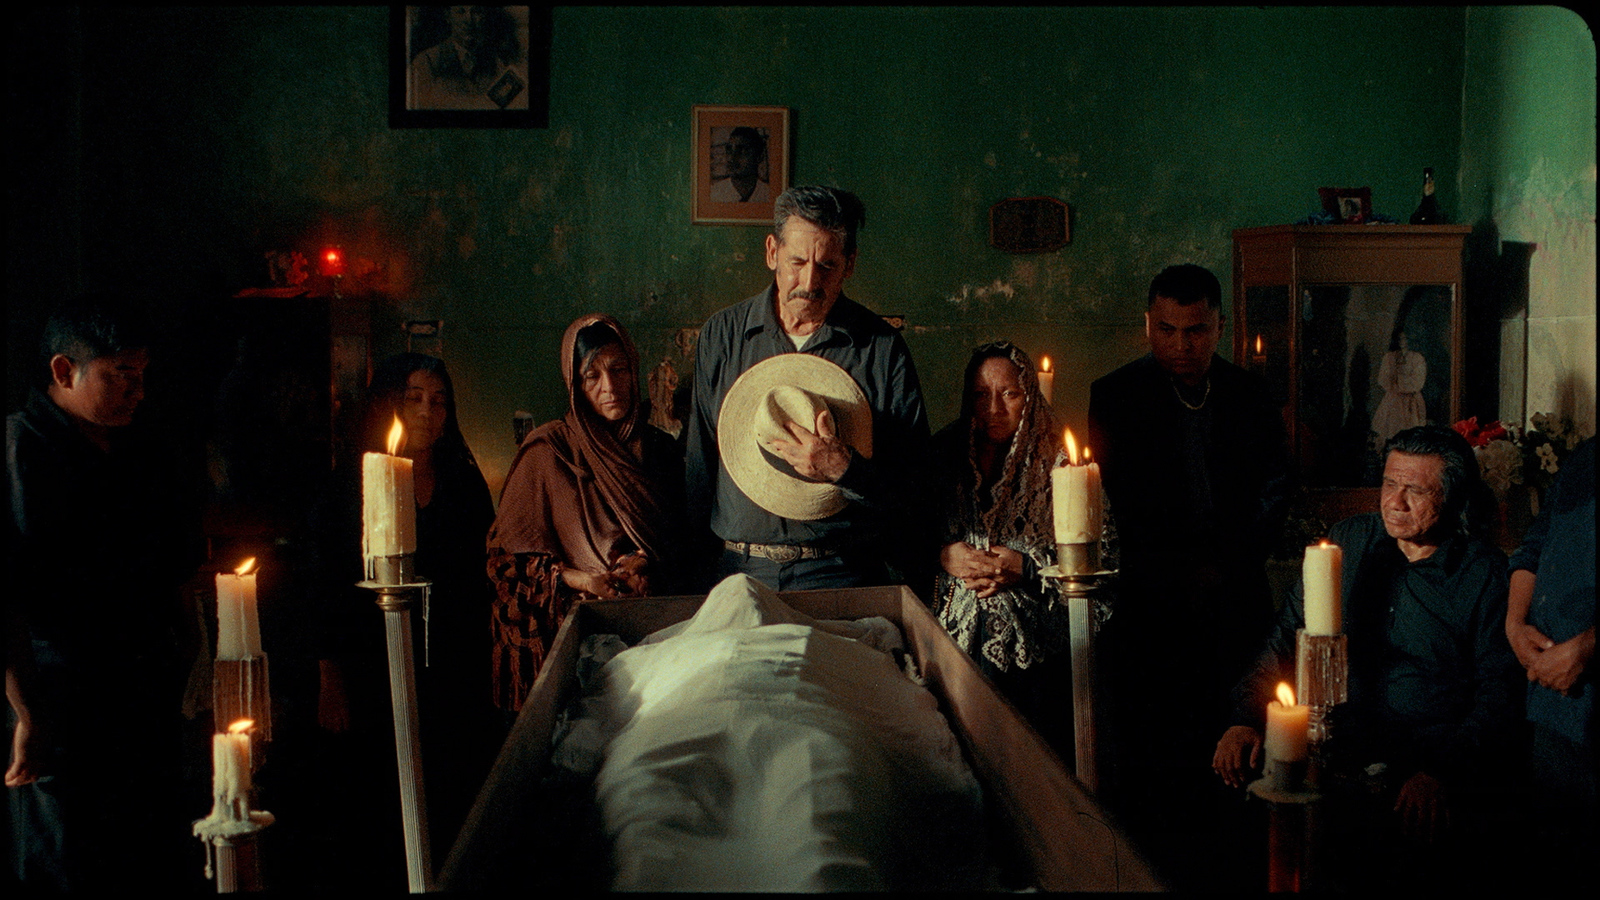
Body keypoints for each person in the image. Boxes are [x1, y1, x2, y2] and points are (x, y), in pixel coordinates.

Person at [1212, 425, 1524, 891]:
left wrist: (1442, 772)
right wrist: (1244, 716)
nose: (1394, 502)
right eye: (1389, 483)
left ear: (1453, 495)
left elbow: (1499, 693)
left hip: (1420, 766)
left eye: (1415, 490)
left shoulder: (1484, 575)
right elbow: (1285, 639)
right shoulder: (1346, 545)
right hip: (1334, 751)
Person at [1086, 262, 1291, 887]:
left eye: (1197, 331)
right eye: (1168, 330)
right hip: (1151, 605)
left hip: (1235, 598)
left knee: (1236, 756)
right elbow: (1110, 505)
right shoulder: (1115, 396)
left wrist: (1230, 558)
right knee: (1157, 762)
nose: (1181, 346)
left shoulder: (1252, 396)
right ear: (1148, 324)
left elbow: (1275, 491)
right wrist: (1174, 569)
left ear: (1220, 327)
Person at [7, 295, 204, 891]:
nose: (136, 391)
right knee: (69, 859)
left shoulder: (138, 447)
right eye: (121, 375)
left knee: (146, 851)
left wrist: (190, 652)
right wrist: (27, 710)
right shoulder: (23, 450)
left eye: (141, 375)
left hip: (145, 688)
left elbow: (173, 566)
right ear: (64, 371)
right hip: (63, 691)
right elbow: (9, 595)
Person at [684, 184, 932, 592]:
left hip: (841, 570)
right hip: (738, 571)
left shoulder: (881, 349)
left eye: (828, 266)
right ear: (772, 253)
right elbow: (698, 468)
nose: (809, 282)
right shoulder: (723, 336)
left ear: (850, 264)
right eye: (797, 261)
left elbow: (916, 489)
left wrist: (845, 468)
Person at [310, 352, 496, 874]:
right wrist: (330, 680)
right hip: (373, 662)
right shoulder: (352, 483)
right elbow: (324, 588)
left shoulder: (461, 478)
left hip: (450, 666)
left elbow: (484, 567)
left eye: (438, 401)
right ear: (389, 404)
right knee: (380, 798)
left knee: (448, 791)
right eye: (412, 399)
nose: (426, 412)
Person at [487, 314, 685, 713]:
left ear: (635, 368)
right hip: (576, 644)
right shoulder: (549, 453)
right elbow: (507, 564)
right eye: (591, 376)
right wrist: (584, 581)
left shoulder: (661, 452)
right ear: (574, 386)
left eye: (618, 369)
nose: (609, 387)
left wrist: (640, 563)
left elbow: (685, 541)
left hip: (656, 643)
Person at [930, 341, 1071, 754]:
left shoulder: (1057, 459)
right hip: (950, 634)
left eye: (1009, 394)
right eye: (981, 394)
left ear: (1029, 395)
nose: (994, 407)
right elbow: (905, 534)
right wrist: (944, 555)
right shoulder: (943, 454)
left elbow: (1097, 557)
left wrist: (1026, 567)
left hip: (1036, 648)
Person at [1504, 434, 1594, 884]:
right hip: (1554, 707)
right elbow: (1535, 542)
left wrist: (1585, 647)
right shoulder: (1587, 455)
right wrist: (1515, 623)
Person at [407, 6, 530, 111]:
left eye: (476, 12)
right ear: (448, 17)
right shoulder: (426, 61)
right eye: (460, 12)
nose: (469, 20)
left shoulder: (496, 62)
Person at [1370, 327, 1428, 448]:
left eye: (1405, 338)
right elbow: (1383, 379)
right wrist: (1396, 384)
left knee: (1411, 436)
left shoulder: (1417, 358)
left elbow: (1418, 382)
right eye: (1400, 338)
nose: (1402, 341)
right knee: (1388, 432)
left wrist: (1399, 382)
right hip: (1392, 401)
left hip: (1411, 402)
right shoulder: (1389, 357)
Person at [709, 126, 771, 203]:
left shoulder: (768, 195)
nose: (732, 158)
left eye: (742, 151)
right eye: (729, 150)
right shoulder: (714, 194)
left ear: (759, 157)